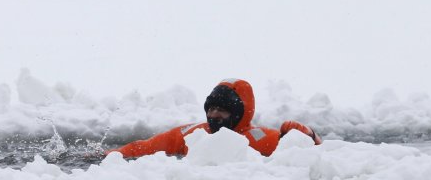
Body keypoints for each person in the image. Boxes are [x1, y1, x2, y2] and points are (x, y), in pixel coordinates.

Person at [109, 78, 321, 158]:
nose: (213, 115)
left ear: (238, 113)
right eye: (210, 109)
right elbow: (143, 148)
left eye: (221, 110)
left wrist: (310, 135)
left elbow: (321, 156)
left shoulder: (260, 139)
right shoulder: (192, 133)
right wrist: (110, 155)